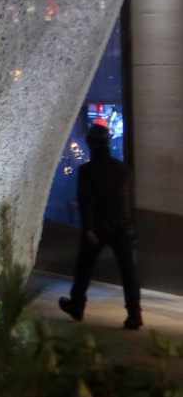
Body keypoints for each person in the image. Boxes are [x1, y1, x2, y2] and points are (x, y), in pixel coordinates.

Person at [59, 121, 142, 330]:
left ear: (90, 144)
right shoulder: (122, 169)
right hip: (122, 228)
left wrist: (88, 228)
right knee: (128, 273)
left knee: (84, 268)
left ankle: (77, 305)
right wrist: (130, 227)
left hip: (97, 229)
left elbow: (85, 202)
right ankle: (134, 315)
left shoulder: (87, 171)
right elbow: (126, 201)